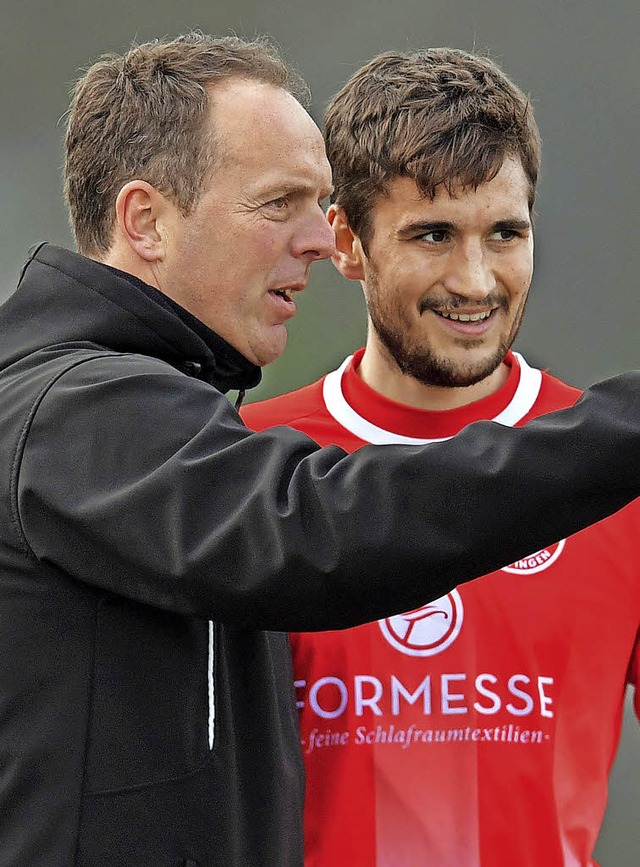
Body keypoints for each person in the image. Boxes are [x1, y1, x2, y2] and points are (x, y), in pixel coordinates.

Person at [0, 33, 637, 867]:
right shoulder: (80, 408)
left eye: (506, 231)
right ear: (146, 220)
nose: (317, 238)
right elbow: (318, 528)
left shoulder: (186, 431)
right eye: (278, 204)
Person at [241, 47, 640, 867]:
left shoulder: (617, 472)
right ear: (346, 244)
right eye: (432, 234)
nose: (476, 278)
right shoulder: (247, 465)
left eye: (505, 233)